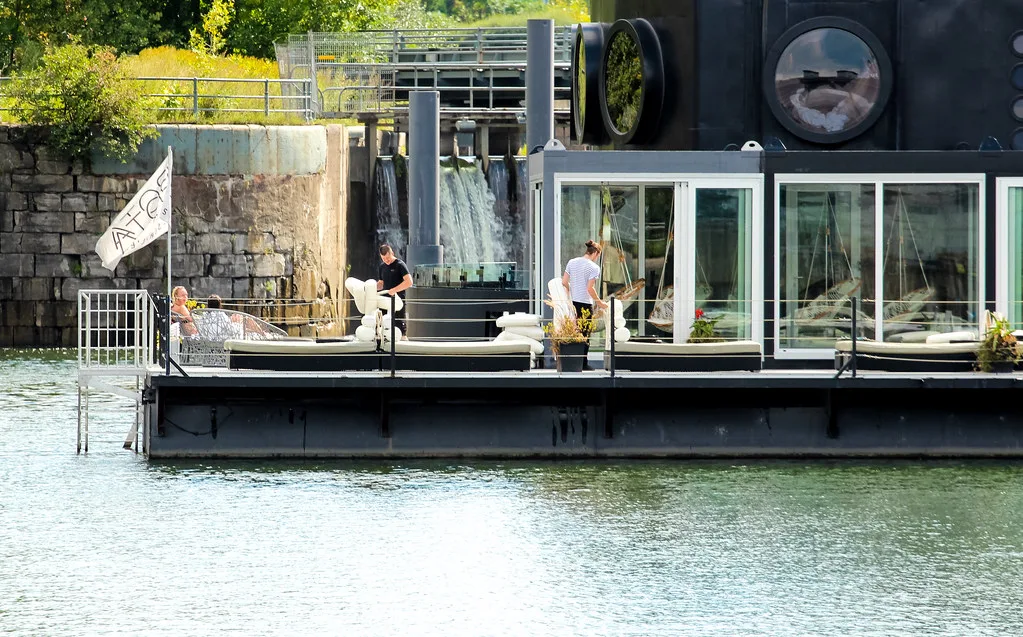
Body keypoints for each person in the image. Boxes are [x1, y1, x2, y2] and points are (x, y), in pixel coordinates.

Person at [562, 240, 609, 369]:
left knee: (574, 333)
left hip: (573, 303)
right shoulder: (594, 267)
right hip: (585, 305)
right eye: (598, 256)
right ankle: (583, 364)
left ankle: (573, 363)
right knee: (585, 335)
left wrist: (571, 292)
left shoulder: (572, 262)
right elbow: (590, 288)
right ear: (596, 253)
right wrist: (600, 303)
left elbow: (564, 281)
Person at [377, 244, 413, 338]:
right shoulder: (382, 267)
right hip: (385, 301)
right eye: (383, 259)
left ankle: (403, 340)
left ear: (392, 253)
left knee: (400, 323)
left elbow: (409, 282)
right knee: (384, 323)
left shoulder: (400, 265)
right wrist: (370, 287)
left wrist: (394, 290)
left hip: (398, 300)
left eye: (388, 258)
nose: (386, 261)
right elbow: (381, 283)